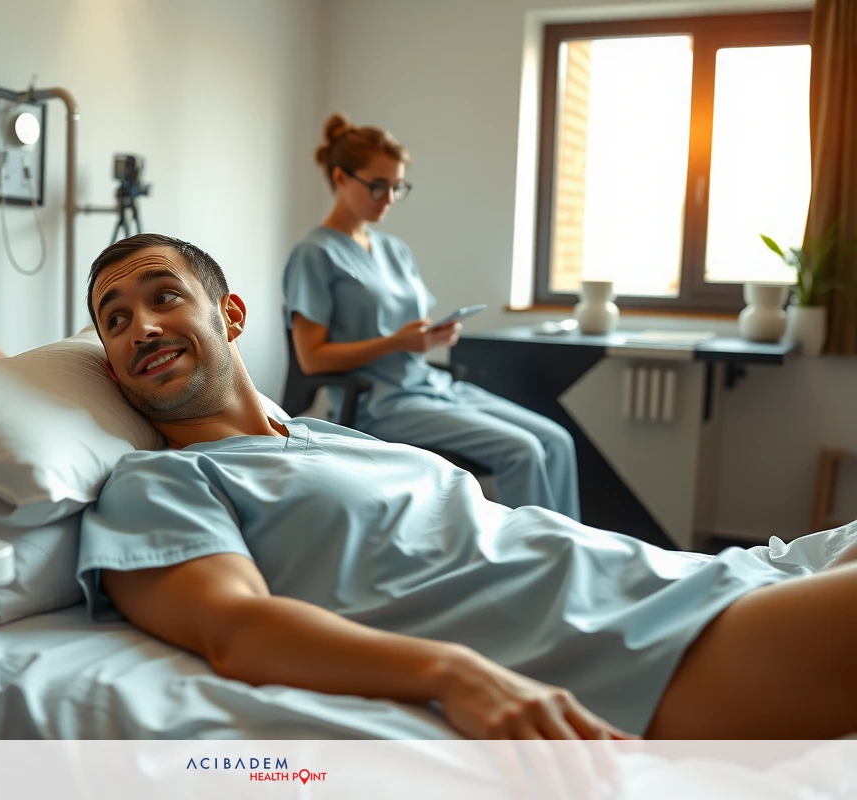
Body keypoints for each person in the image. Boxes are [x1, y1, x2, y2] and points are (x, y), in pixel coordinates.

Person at [80, 231, 857, 740]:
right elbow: (235, 630)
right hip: (647, 650)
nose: (140, 325)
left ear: (231, 315)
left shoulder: (321, 438)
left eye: (163, 296)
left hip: (706, 575)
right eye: (114, 321)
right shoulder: (159, 484)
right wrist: (453, 672)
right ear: (110, 365)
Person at [283, 112, 579, 519]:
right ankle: (537, 568)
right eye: (377, 186)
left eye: (396, 187)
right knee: (522, 451)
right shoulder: (315, 255)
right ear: (340, 178)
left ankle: (571, 554)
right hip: (382, 403)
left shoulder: (394, 249)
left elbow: (409, 329)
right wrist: (399, 342)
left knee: (557, 440)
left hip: (431, 386)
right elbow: (312, 358)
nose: (387, 198)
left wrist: (434, 336)